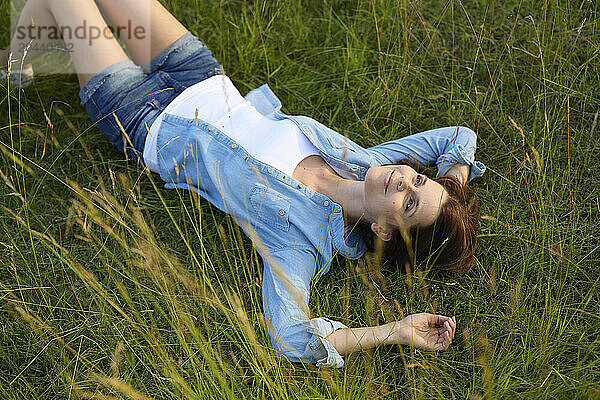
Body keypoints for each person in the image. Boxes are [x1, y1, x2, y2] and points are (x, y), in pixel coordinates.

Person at [2, 0, 486, 367]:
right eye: (418, 179)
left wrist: (395, 330)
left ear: (383, 230)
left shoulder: (300, 243)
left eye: (408, 203)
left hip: (145, 119)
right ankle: (27, 48)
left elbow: (290, 336)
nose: (404, 180)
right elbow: (459, 137)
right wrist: (452, 189)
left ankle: (20, 52)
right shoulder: (366, 161)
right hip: (200, 74)